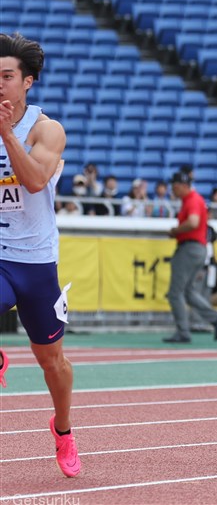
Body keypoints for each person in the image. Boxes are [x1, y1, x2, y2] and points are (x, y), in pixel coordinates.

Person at [0, 32, 81, 477]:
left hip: (35, 261)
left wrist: (6, 134)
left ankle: (64, 431)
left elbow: (32, 181)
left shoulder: (47, 129)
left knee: (54, 364)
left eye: (6, 76)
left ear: (27, 81)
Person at [163, 171, 217, 343]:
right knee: (189, 292)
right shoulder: (192, 200)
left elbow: (193, 222)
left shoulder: (192, 200)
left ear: (184, 186)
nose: (173, 190)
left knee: (175, 293)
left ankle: (183, 332)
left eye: (175, 187)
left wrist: (175, 231)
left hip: (189, 248)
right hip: (198, 249)